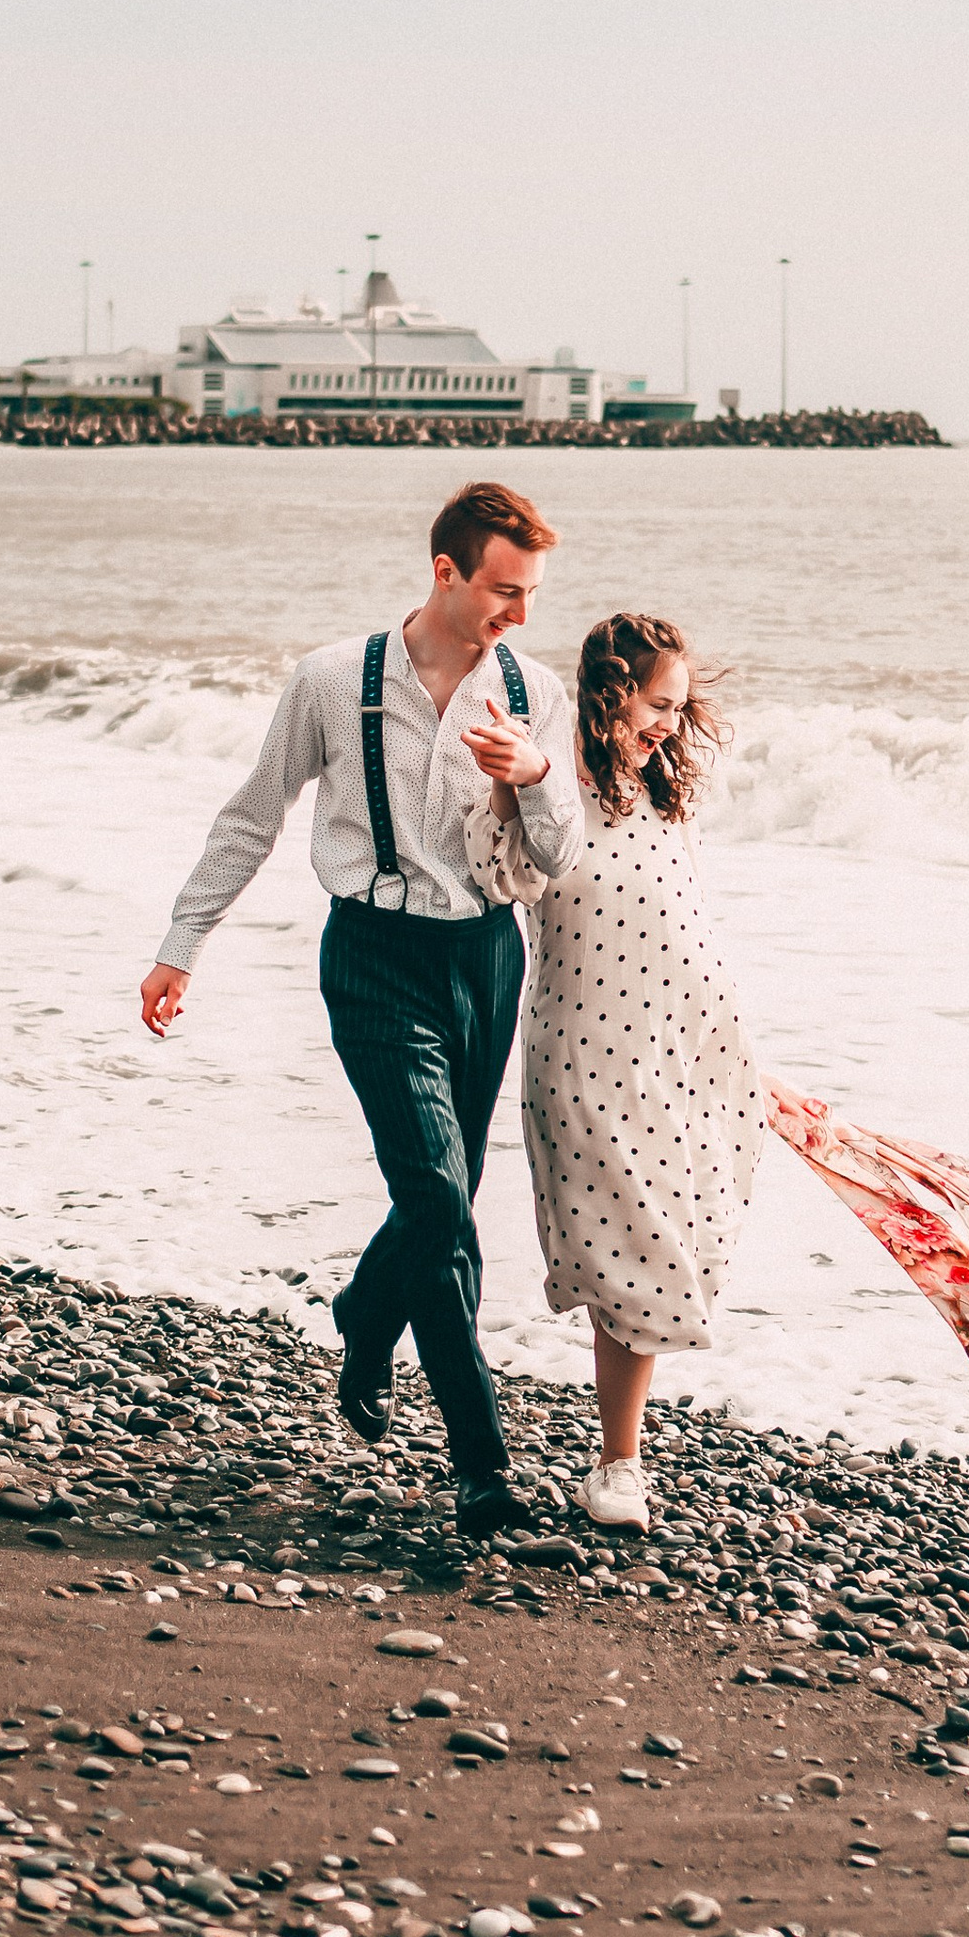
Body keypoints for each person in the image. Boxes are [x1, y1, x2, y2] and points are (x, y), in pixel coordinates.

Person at [138, 479, 585, 1543]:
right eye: (502, 591)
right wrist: (180, 942)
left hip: (485, 953)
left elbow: (561, 854)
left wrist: (533, 776)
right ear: (444, 572)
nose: (517, 615)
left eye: (529, 595)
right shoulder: (333, 681)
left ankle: (364, 1313)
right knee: (437, 1201)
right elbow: (251, 815)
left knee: (453, 1189)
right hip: (374, 956)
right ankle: (482, 1464)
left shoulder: (534, 694)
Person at [472, 611, 763, 1531]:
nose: (670, 723)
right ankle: (620, 1465)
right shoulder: (552, 786)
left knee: (669, 1238)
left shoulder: (658, 798)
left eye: (680, 707)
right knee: (634, 1253)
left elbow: (687, 935)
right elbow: (503, 877)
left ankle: (618, 1461)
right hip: (588, 1059)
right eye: (657, 702)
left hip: (678, 1054)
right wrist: (519, 785)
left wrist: (746, 1063)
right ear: (611, 692)